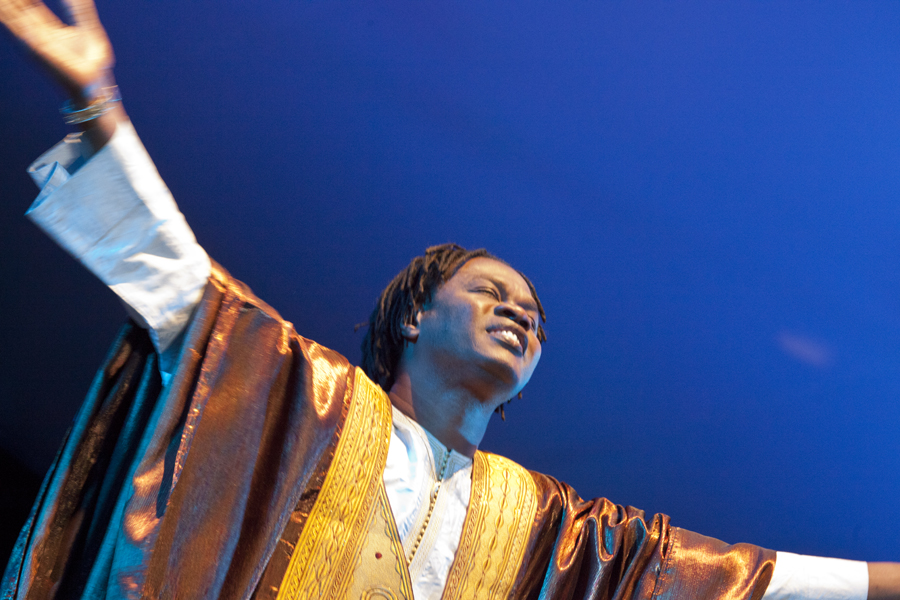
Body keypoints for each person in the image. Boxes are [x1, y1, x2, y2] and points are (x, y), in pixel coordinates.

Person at [2, 1, 900, 599]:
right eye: (492, 293)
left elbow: (733, 575)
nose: (521, 316)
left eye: (537, 319)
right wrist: (95, 100)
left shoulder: (552, 528)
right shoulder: (303, 402)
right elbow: (183, 287)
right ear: (412, 316)